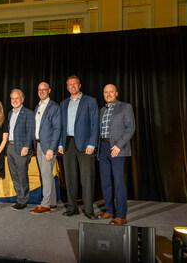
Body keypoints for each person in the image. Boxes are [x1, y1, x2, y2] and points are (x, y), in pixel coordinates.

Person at [58, 75, 99, 219]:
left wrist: (92, 144)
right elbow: (61, 126)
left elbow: (95, 124)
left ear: (79, 85)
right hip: (68, 143)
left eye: (75, 84)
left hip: (85, 144)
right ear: (67, 87)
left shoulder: (90, 101)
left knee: (87, 178)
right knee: (70, 177)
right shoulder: (63, 104)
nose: (72, 87)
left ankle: (88, 210)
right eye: (70, 85)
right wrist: (60, 143)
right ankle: (72, 207)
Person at [97, 84, 135, 225]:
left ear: (116, 93)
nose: (108, 94)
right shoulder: (102, 110)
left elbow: (130, 128)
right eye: (106, 92)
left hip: (117, 148)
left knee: (118, 182)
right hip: (103, 147)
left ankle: (121, 215)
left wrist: (119, 146)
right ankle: (109, 210)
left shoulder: (125, 107)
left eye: (111, 92)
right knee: (105, 181)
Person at [30, 82, 61, 214]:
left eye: (44, 89)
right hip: (38, 144)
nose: (42, 92)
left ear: (49, 90)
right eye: (39, 90)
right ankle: (52, 203)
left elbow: (57, 129)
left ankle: (46, 204)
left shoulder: (54, 107)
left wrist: (51, 148)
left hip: (48, 146)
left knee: (45, 175)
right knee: (47, 175)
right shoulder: (38, 106)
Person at [7, 89, 35, 210]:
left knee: (22, 175)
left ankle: (23, 200)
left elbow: (30, 131)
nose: (14, 100)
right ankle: (20, 198)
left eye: (17, 98)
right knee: (14, 175)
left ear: (22, 99)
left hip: (22, 148)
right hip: (10, 147)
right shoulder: (9, 114)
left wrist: (27, 146)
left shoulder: (28, 113)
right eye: (12, 98)